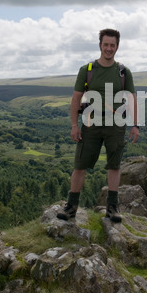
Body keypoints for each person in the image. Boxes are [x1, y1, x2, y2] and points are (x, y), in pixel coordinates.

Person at [57, 28, 139, 222]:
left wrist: (135, 125)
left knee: (114, 166)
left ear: (117, 47)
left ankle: (112, 208)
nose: (109, 48)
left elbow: (132, 98)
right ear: (100, 45)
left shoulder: (123, 72)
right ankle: (71, 207)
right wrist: (74, 126)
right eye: (106, 45)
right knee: (80, 165)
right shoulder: (87, 70)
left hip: (116, 124)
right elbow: (76, 99)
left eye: (112, 45)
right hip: (90, 123)